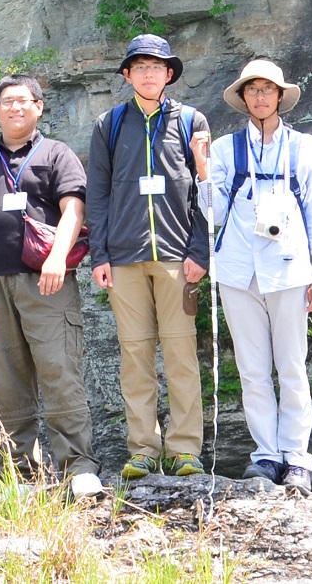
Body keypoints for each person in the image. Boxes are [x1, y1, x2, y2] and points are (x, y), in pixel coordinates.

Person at [0, 74, 103, 499]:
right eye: (6, 101)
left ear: (39, 107)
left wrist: (57, 255)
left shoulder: (56, 153)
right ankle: (22, 473)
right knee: (7, 379)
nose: (15, 107)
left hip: (46, 280)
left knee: (59, 369)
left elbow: (73, 208)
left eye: (23, 100)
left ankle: (78, 467)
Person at [191, 58, 312, 495]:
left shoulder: (305, 147)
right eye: (252, 89)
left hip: (289, 268)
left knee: (291, 366)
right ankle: (266, 455)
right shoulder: (225, 149)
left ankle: (296, 459)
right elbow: (212, 212)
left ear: (279, 96)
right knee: (252, 370)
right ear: (243, 97)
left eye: (267, 89)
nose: (259, 96)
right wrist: (201, 168)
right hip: (238, 270)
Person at [86, 34, 210, 479]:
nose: (149, 73)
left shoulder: (192, 121)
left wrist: (201, 251)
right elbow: (97, 194)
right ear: (127, 74)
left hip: (178, 257)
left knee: (181, 355)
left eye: (157, 67)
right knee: (135, 357)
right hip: (123, 258)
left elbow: (206, 190)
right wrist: (99, 254)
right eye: (140, 67)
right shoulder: (110, 124)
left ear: (169, 73)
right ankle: (142, 449)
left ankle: (184, 449)